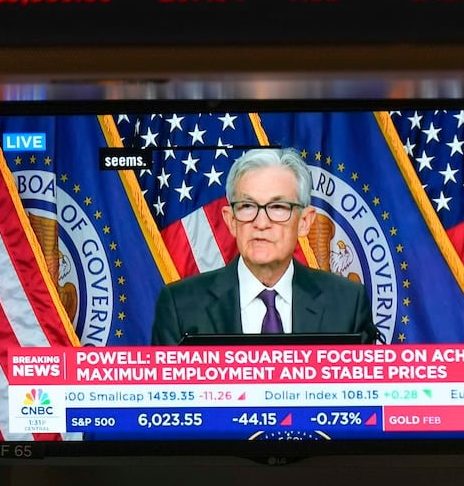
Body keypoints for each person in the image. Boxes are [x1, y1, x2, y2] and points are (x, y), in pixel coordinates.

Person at [151, 147, 378, 345]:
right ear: (231, 221)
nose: (261, 223)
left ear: (304, 222)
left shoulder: (347, 302)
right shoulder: (180, 305)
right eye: (248, 206)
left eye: (278, 207)